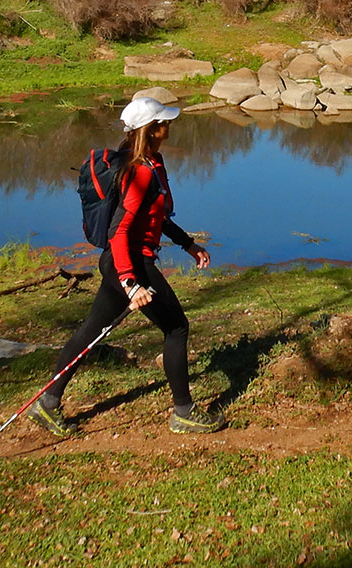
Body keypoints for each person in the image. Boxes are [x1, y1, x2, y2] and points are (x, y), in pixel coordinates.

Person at [27, 96, 225, 435]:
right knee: (176, 328)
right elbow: (119, 231)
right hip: (130, 263)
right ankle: (185, 413)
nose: (169, 125)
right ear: (151, 130)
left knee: (91, 330)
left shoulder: (152, 163)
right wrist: (131, 282)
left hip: (119, 264)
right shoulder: (139, 174)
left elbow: (155, 216)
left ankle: (47, 404)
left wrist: (187, 244)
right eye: (164, 122)